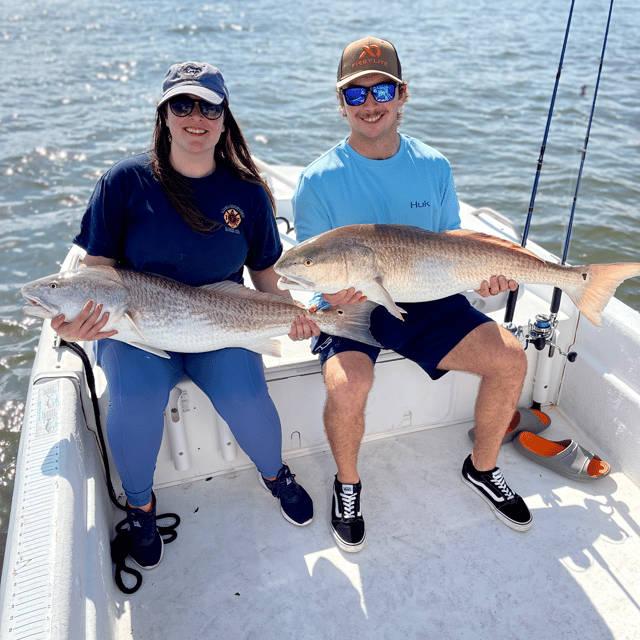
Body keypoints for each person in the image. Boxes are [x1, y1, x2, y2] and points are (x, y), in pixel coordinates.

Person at [52, 61, 314, 570]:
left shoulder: (248, 192)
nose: (196, 116)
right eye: (182, 104)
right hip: (135, 326)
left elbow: (265, 274)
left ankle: (275, 473)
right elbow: (97, 270)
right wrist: (73, 322)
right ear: (164, 114)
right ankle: (141, 507)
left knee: (246, 397)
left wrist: (298, 314)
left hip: (221, 320)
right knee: (135, 398)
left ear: (224, 117)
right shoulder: (124, 181)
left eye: (208, 106)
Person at [292, 37, 543, 553]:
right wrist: (332, 294)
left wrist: (486, 279)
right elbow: (309, 270)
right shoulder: (316, 181)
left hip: (426, 297)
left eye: (380, 89)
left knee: (511, 359)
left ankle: (483, 467)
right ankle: (347, 485)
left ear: (402, 94)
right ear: (341, 104)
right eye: (355, 95)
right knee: (347, 387)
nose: (370, 104)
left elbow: (452, 250)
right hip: (352, 305)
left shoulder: (434, 166)